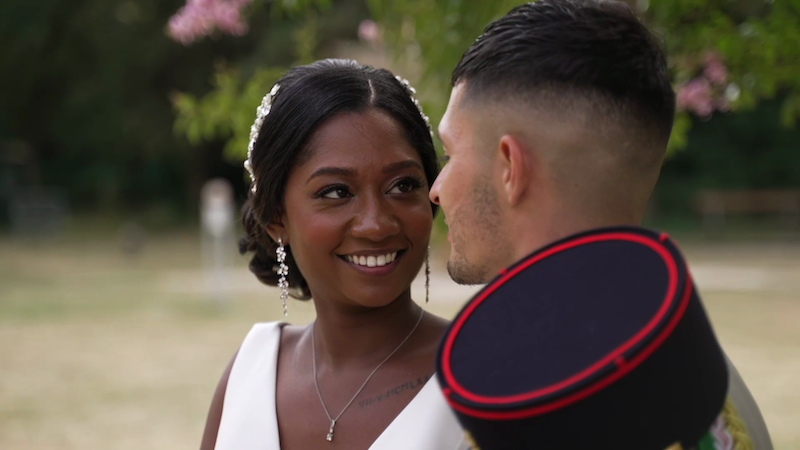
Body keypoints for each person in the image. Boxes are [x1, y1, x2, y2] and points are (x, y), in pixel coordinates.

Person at [429, 1, 773, 448]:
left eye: (450, 154)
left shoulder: (521, 407)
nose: (436, 190)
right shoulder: (712, 384)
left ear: (510, 166)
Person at [200, 59, 468, 450]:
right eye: (337, 192)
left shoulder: (482, 380)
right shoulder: (249, 374)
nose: (376, 225)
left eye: (402, 186)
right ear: (276, 218)